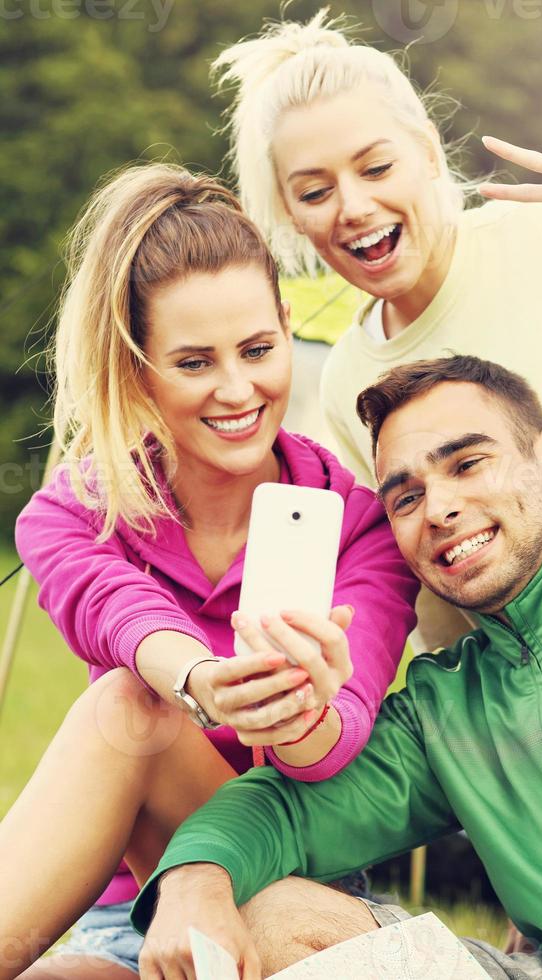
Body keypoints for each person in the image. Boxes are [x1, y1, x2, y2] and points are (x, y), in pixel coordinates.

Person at [0, 163, 418, 979]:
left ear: (287, 326)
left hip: (291, 887)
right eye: (194, 363)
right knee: (138, 700)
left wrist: (304, 709)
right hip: (136, 913)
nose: (238, 389)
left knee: (132, 709)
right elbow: (112, 607)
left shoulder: (359, 525)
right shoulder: (73, 513)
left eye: (259, 350)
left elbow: (329, 758)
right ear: (137, 369)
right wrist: (199, 679)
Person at [130, 354, 542, 980]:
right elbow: (286, 813)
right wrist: (192, 880)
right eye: (407, 497)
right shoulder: (443, 709)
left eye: (468, 464)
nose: (438, 510)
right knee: (271, 916)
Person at [212, 9, 542, 650]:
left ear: (424, 150)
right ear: (290, 213)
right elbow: (439, 604)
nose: (354, 207)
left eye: (375, 168)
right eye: (315, 192)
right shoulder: (350, 381)